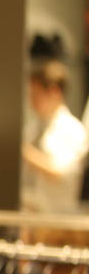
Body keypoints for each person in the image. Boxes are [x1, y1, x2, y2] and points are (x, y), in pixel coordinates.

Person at [22, 59, 88, 217]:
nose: (31, 102)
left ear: (54, 91)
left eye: (36, 95)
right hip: (30, 217)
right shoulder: (33, 129)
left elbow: (59, 171)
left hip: (58, 220)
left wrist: (23, 152)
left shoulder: (73, 130)